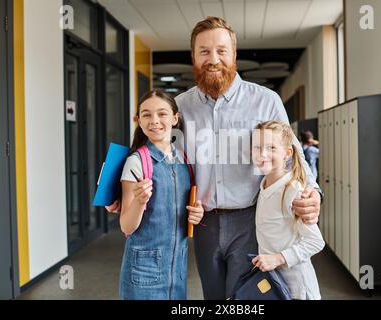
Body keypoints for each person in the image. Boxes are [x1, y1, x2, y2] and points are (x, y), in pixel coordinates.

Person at [108, 16, 322, 300]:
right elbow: (159, 151)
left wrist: (313, 192)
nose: (213, 59)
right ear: (194, 57)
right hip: (203, 223)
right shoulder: (181, 106)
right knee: (214, 296)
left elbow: (292, 153)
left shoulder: (265, 100)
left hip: (250, 220)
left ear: (234, 54)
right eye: (204, 51)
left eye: (221, 50)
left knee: (246, 297)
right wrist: (122, 192)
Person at [118, 90, 204, 300]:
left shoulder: (184, 160)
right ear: (138, 120)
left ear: (175, 118)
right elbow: (126, 226)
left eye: (162, 114)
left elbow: (187, 208)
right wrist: (139, 202)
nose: (154, 120)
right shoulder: (136, 162)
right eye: (146, 115)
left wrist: (197, 214)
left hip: (177, 271)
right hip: (143, 272)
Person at [251, 121, 325, 300]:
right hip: (276, 285)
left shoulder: (293, 190)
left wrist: (278, 258)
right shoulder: (264, 186)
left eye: (271, 148)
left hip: (298, 290)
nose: (263, 154)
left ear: (287, 153)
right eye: (257, 147)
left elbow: (316, 241)